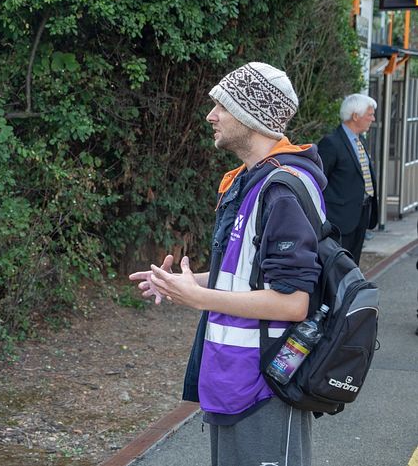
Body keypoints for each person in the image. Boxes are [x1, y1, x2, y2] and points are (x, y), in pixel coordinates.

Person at [130, 62, 326, 466]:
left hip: (267, 387)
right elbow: (244, 275)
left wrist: (199, 297)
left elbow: (293, 303)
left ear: (252, 118)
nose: (210, 115)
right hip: (234, 384)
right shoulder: (249, 181)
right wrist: (178, 283)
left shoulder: (282, 190)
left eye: (222, 105)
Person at [317, 94, 379, 264]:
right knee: (336, 268)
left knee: (353, 265)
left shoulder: (360, 141)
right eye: (370, 114)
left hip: (361, 214)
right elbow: (318, 182)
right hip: (339, 220)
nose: (373, 119)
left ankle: (351, 291)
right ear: (355, 116)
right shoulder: (331, 143)